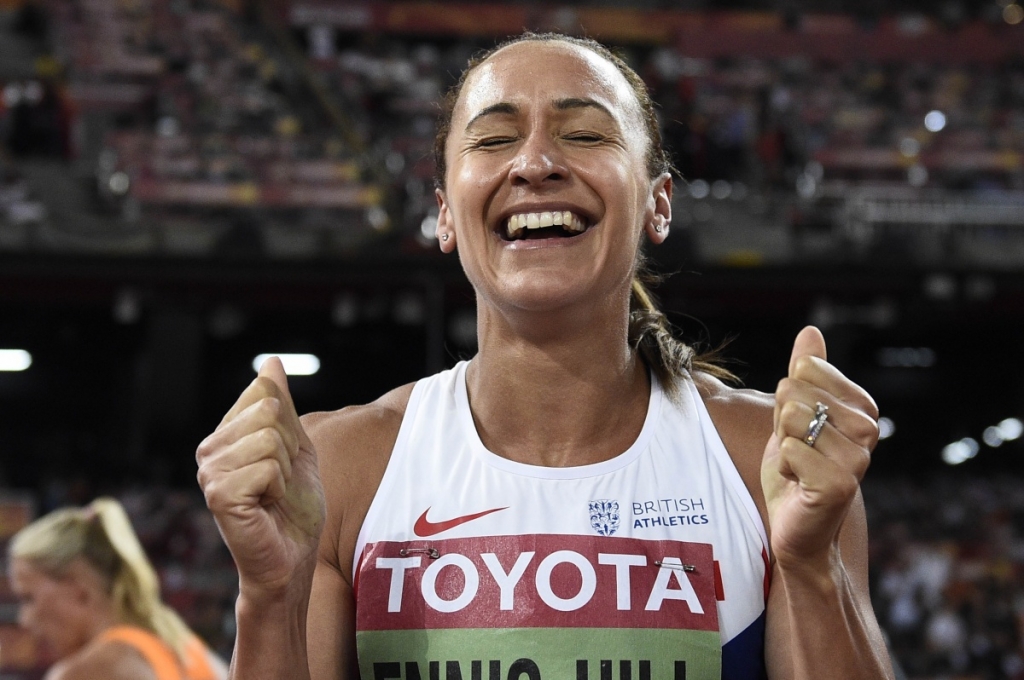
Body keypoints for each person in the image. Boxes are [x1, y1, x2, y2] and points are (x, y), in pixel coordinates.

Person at [195, 32, 896, 679]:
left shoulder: (765, 461)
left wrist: (811, 567)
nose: (534, 163)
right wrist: (268, 595)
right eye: (495, 139)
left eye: (585, 133)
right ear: (445, 213)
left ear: (658, 204)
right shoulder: (343, 468)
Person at [7, 497, 229, 680]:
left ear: (78, 588)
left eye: (29, 598)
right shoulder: (189, 649)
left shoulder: (87, 672)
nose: (26, 619)